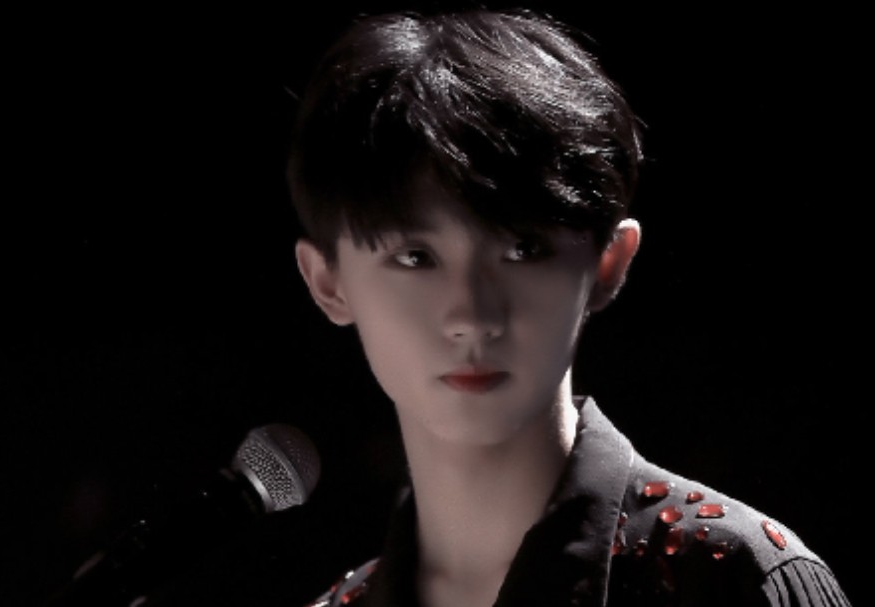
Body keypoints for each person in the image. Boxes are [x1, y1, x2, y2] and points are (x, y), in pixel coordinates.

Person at [285, 5, 852, 606]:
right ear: (328, 282)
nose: (471, 317)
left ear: (609, 263)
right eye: (415, 257)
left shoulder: (736, 578)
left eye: (524, 249)